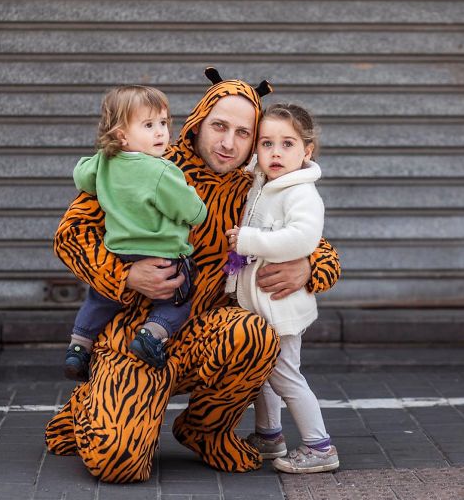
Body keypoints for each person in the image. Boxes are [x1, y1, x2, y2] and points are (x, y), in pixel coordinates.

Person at [45, 68, 341, 483]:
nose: (228, 143)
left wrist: (309, 267)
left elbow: (320, 245)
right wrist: (125, 275)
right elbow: (71, 234)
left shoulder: (255, 188)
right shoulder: (146, 165)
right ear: (198, 122)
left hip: (206, 331)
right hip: (139, 337)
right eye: (220, 126)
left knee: (255, 333)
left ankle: (207, 431)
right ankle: (90, 405)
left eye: (243, 133)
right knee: (118, 463)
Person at [63, 85, 207, 381]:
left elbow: (82, 178)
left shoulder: (104, 162)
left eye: (164, 123)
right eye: (149, 125)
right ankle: (151, 336)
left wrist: (104, 160)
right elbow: (194, 212)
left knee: (99, 300)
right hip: (163, 256)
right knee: (177, 302)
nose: (161, 133)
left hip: (119, 255)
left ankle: (79, 346)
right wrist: (194, 200)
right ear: (122, 135)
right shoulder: (162, 171)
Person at [225, 103, 338, 474]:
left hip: (280, 306)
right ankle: (269, 436)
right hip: (261, 306)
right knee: (264, 374)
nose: (275, 152)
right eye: (266, 143)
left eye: (287, 144)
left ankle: (320, 446)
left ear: (307, 151)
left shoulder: (301, 193)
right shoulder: (263, 183)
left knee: (286, 376)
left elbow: (302, 239)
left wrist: (247, 240)